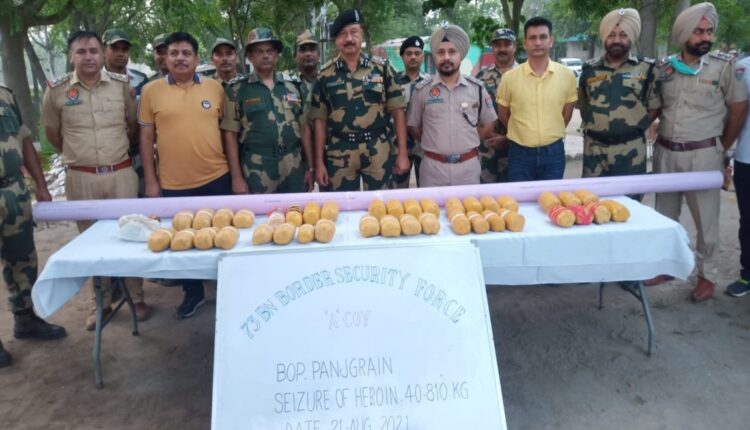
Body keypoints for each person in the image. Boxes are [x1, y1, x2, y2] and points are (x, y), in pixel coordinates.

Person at [42, 30, 150, 330]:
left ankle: (137, 296)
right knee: (90, 241)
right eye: (81, 52)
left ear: (102, 54)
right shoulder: (57, 91)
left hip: (120, 174)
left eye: (93, 51)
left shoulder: (121, 86)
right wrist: (80, 157)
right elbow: (52, 134)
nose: (88, 57)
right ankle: (100, 302)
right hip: (82, 178)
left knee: (131, 234)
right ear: (71, 57)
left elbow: (131, 127)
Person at [647, 3, 748, 301]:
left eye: (709, 31)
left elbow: (738, 110)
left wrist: (721, 147)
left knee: (707, 221)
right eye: (698, 32)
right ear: (683, 35)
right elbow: (656, 108)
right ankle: (667, 265)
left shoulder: (724, 67)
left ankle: (707, 275)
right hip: (667, 152)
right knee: (665, 216)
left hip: (704, 154)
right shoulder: (665, 68)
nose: (706, 37)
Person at [139, 32, 243, 318]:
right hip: (174, 184)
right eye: (174, 53)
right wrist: (151, 182)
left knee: (222, 236)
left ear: (197, 59)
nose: (180, 58)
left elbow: (228, 135)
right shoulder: (151, 91)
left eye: (186, 53)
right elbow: (145, 139)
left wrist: (236, 177)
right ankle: (192, 293)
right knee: (182, 243)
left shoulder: (215, 88)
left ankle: (228, 290)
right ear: (165, 58)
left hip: (216, 177)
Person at [0, 86, 66, 367]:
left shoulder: (5, 95)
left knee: (23, 258)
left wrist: (41, 184)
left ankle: (25, 318)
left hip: (13, 192)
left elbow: (25, 139)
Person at [310, 9, 410, 191]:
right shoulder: (325, 75)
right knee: (343, 204)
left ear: (361, 34)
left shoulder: (382, 69)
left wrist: (402, 153)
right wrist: (319, 163)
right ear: (336, 40)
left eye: (354, 32)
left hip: (378, 148)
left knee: (380, 203)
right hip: (340, 151)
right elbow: (320, 121)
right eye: (342, 34)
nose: (349, 38)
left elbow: (398, 111)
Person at [221, 28, 313, 193]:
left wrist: (310, 167)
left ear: (276, 55)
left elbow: (304, 128)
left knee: (294, 208)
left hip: (293, 164)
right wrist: (236, 177)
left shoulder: (293, 86)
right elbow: (230, 135)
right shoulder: (237, 90)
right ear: (249, 56)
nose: (265, 55)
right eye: (259, 51)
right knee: (259, 210)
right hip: (257, 167)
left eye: (270, 51)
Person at [577, 9, 659, 190]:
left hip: (630, 150)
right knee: (592, 199)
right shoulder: (589, 70)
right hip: (595, 151)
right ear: (604, 38)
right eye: (611, 35)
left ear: (631, 38)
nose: (617, 40)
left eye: (623, 35)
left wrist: (632, 127)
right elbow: (584, 106)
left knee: (630, 201)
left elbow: (654, 107)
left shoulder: (647, 69)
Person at [407, 25, 498, 187]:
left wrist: (468, 140)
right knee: (430, 205)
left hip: (468, 169)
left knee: (470, 205)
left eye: (452, 52)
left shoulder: (476, 88)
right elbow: (414, 126)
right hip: (433, 170)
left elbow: (489, 123)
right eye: (441, 52)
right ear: (435, 56)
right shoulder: (422, 90)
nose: (446, 57)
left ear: (460, 55)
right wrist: (433, 142)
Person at [497, 17, 578, 181]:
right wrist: (523, 133)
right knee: (520, 197)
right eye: (532, 38)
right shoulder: (509, 78)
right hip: (519, 154)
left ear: (551, 41)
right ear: (525, 43)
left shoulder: (567, 75)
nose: (538, 42)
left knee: (552, 197)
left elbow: (567, 115)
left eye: (543, 37)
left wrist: (549, 133)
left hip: (554, 153)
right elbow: (504, 115)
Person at [475, 28, 518, 184]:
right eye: (497, 45)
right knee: (486, 194)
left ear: (515, 47)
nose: (502, 49)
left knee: (513, 193)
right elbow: (474, 112)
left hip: (516, 147)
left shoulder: (525, 74)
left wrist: (507, 138)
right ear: (492, 48)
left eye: (507, 44)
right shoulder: (481, 77)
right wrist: (489, 134)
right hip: (487, 148)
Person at [726, 54, 750, 297]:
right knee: (748, 221)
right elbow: (734, 112)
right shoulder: (743, 68)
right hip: (747, 158)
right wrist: (724, 150)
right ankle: (747, 275)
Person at [392, 35, 429, 188]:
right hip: (396, 145)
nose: (413, 57)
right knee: (396, 191)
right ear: (402, 57)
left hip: (423, 145)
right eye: (409, 53)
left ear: (422, 56)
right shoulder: (392, 82)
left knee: (426, 190)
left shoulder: (431, 83)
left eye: (417, 53)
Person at [102, 28, 148, 96]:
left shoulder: (141, 79)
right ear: (103, 51)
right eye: (114, 48)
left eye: (125, 49)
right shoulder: (94, 81)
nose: (120, 54)